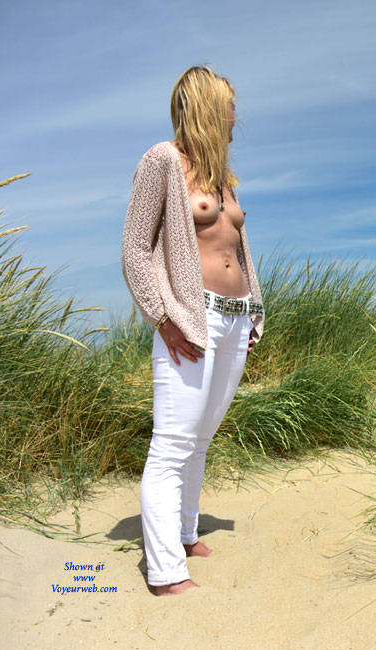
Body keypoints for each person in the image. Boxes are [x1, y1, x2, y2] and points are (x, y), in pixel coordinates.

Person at [121, 65, 265, 595]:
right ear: (207, 108)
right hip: (190, 317)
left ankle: (184, 533)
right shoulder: (162, 161)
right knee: (173, 444)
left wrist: (254, 309)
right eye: (230, 106)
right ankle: (164, 572)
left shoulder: (223, 180)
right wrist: (163, 316)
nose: (236, 119)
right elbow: (136, 248)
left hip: (234, 319)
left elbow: (237, 252)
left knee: (201, 439)